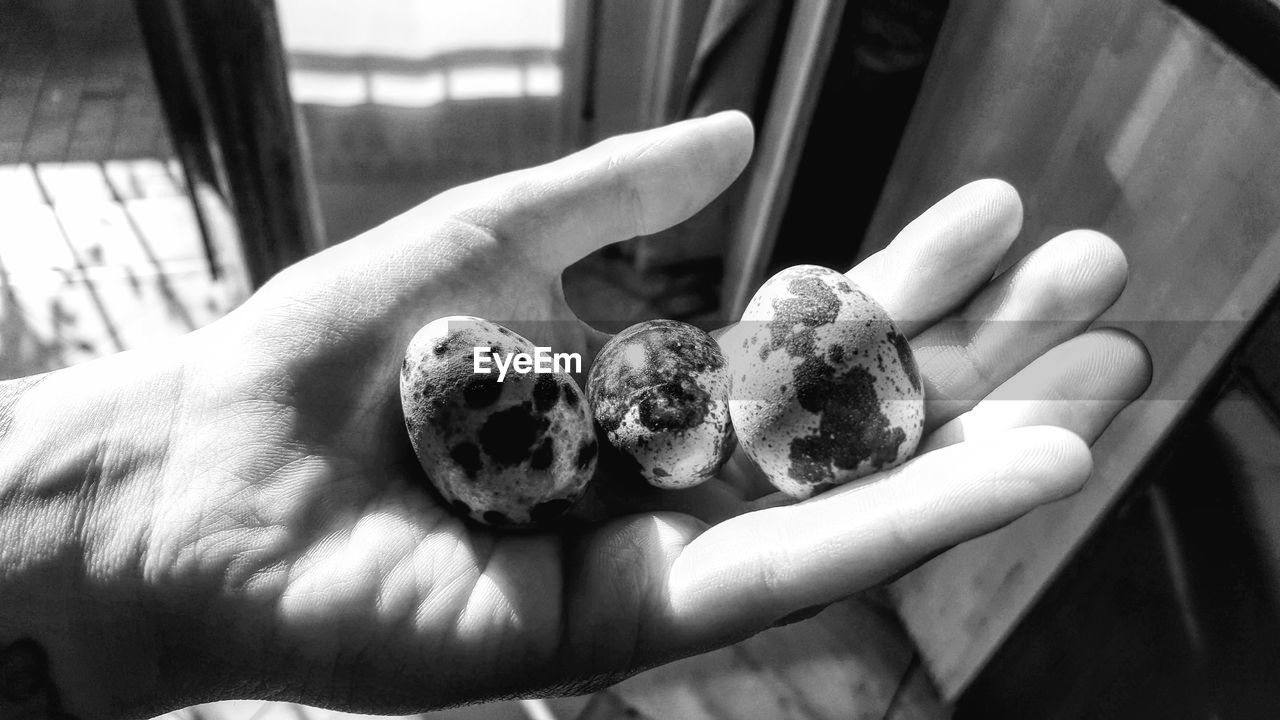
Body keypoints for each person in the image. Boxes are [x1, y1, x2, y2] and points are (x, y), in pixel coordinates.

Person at [0, 111, 1150, 719]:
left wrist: (121, 524)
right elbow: (520, 379)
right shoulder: (582, 388)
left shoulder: (644, 388)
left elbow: (581, 383)